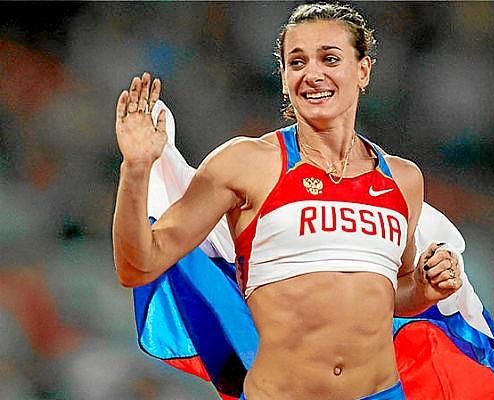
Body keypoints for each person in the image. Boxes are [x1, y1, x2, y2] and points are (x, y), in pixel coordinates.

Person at [113, 3, 463, 400]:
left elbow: (392, 294)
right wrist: (136, 168)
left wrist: (424, 289)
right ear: (283, 77)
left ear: (363, 70)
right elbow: (138, 266)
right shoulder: (246, 164)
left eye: (330, 58)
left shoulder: (403, 179)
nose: (312, 74)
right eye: (297, 62)